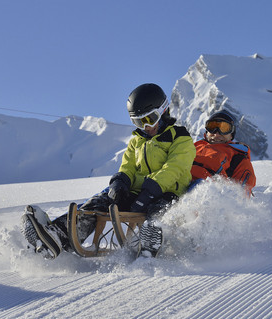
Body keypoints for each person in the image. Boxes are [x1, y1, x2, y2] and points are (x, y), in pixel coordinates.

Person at [21, 83, 196, 258]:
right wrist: (120, 182)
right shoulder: (137, 141)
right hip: (138, 193)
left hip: (168, 193)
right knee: (100, 202)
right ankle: (58, 236)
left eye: (150, 118)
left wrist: (150, 192)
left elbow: (175, 168)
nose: (146, 126)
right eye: (138, 122)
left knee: (157, 212)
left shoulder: (180, 137)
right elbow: (127, 166)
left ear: (164, 111)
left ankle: (149, 251)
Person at [190, 110, 256, 195]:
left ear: (231, 135)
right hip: (176, 181)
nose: (217, 134)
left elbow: (241, 196)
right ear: (206, 132)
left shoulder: (238, 156)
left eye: (224, 129)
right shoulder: (192, 146)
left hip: (202, 191)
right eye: (212, 127)